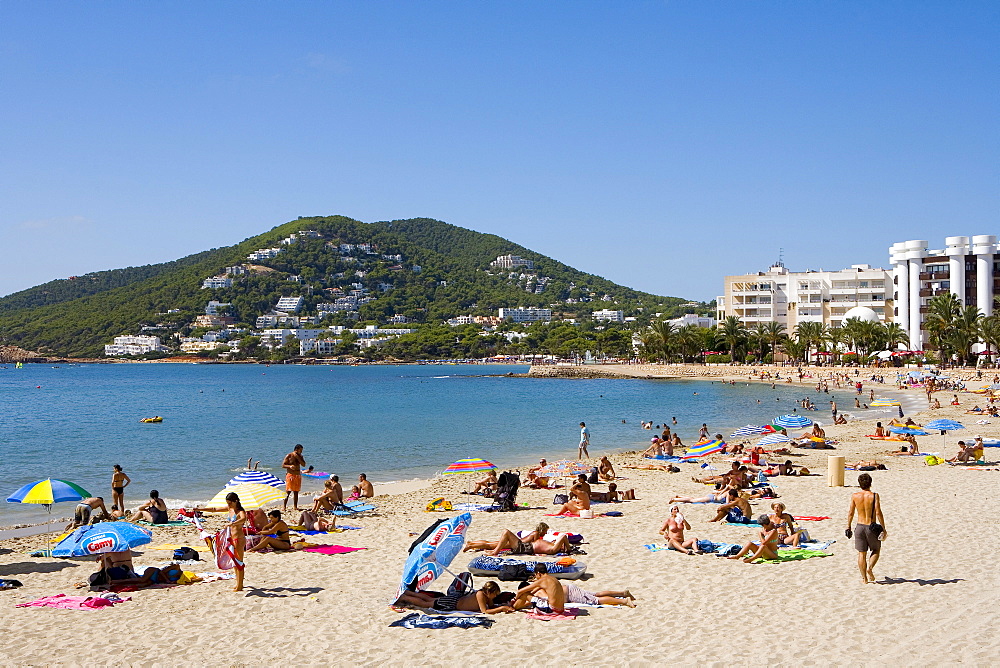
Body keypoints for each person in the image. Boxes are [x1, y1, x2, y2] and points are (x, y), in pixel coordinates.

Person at [846, 472, 886, 584]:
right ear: (870, 483)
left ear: (859, 484)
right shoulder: (874, 495)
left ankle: (864, 579)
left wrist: (848, 526)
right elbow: (878, 512)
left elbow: (850, 512)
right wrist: (883, 528)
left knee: (861, 553)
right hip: (871, 526)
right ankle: (870, 568)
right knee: (876, 549)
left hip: (859, 526)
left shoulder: (855, 496)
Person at [397, 581, 513, 614]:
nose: (496, 596)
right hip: (452, 603)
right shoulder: (480, 594)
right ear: (490, 591)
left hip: (455, 600)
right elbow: (485, 611)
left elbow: (492, 606)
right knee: (426, 603)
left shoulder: (487, 596)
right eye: (495, 594)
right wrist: (501, 609)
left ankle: (408, 593)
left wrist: (503, 606)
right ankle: (406, 597)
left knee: (429, 600)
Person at [463, 522, 572, 556]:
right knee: (490, 544)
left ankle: (473, 545)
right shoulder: (538, 534)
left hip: (520, 546)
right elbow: (562, 537)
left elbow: (562, 537)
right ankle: (471, 544)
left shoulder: (552, 548)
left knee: (490, 544)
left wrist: (567, 549)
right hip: (520, 544)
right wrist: (568, 548)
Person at [225, 492, 247, 592]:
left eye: (230, 503)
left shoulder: (240, 511)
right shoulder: (230, 509)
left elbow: (243, 519)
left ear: (236, 501)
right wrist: (199, 509)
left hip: (239, 538)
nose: (229, 505)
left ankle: (240, 585)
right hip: (231, 538)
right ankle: (237, 583)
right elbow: (214, 509)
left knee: (239, 562)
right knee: (234, 562)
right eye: (227, 503)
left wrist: (232, 523)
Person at [282, 444, 307, 511]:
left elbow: (304, 465)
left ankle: (295, 506)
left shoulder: (300, 456)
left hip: (297, 475)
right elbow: (283, 465)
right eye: (300, 450)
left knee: (296, 492)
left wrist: (298, 457)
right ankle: (284, 506)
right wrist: (289, 466)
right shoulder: (289, 455)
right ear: (296, 449)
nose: (301, 452)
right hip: (290, 475)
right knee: (288, 492)